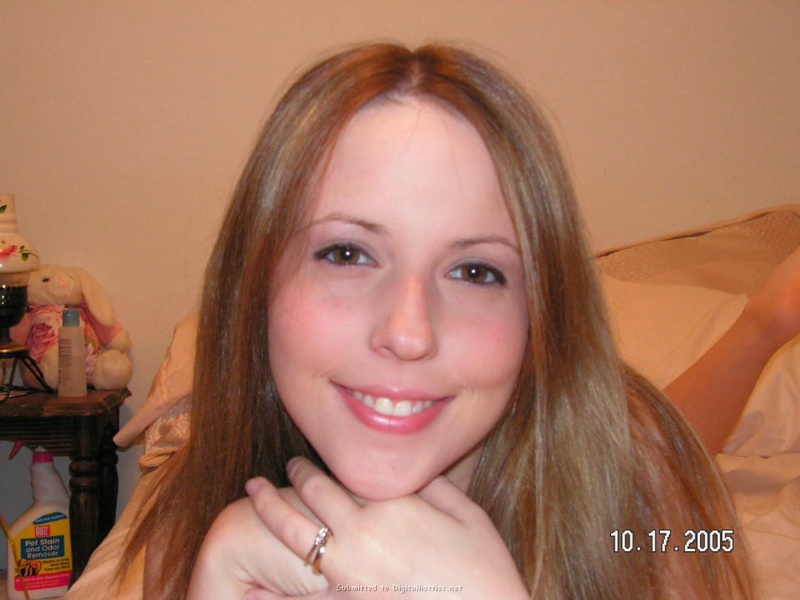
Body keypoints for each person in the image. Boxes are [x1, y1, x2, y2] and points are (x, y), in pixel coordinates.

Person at [120, 42, 773, 599]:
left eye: (476, 272)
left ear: (541, 313)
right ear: (255, 283)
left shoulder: (641, 490)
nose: (409, 334)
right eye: (346, 254)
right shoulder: (194, 532)